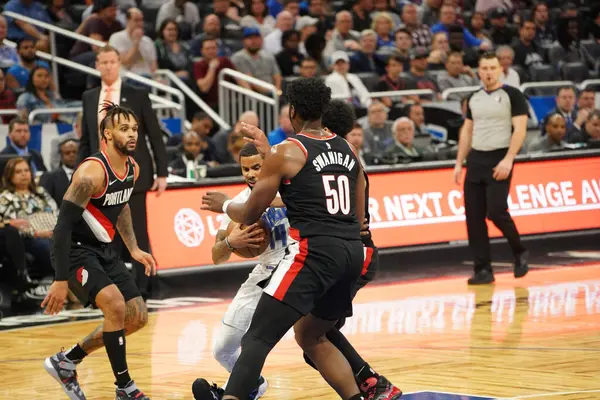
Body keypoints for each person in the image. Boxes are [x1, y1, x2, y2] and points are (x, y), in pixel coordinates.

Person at [198, 78, 367, 400]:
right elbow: (358, 215)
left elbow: (248, 212)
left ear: (292, 110)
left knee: (258, 338)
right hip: (351, 253)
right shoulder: (349, 149)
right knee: (312, 336)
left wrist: (225, 205)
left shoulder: (288, 150)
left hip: (314, 252)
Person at [42, 103, 156, 400]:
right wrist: (60, 278)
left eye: (134, 128)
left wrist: (133, 248)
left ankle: (67, 361)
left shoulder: (133, 167)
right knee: (116, 306)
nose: (132, 134)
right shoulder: (90, 174)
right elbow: (62, 228)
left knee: (137, 316)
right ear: (107, 134)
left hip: (103, 250)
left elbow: (121, 208)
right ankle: (125, 387)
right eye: (124, 129)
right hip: (76, 250)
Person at [79, 45, 168, 298]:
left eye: (112, 61)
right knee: (104, 232)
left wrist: (162, 171)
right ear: (97, 65)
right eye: (103, 62)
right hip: (101, 176)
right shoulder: (89, 97)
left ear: (120, 64)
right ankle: (112, 285)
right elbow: (87, 139)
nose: (108, 66)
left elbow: (154, 135)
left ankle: (144, 286)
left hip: (134, 174)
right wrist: (81, 170)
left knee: (138, 230)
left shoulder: (137, 94)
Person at [209, 143, 293, 400]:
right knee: (221, 349)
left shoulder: (292, 188)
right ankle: (252, 385)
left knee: (313, 338)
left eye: (256, 167)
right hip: (266, 269)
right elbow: (216, 256)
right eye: (245, 169)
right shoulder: (236, 205)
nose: (250, 174)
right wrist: (231, 243)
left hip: (300, 263)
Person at [453, 53, 529, 285]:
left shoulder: (512, 95)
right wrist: (458, 162)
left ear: (500, 70)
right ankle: (482, 269)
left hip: (500, 156)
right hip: (476, 160)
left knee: (496, 212)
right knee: (473, 218)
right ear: (478, 71)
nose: (488, 72)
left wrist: (509, 159)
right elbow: (467, 131)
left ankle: (519, 251)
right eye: (484, 68)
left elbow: (520, 129)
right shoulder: (473, 97)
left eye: (492, 68)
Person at [40, 139, 79, 206]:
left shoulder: (87, 174)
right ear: (61, 155)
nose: (71, 155)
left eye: (74, 152)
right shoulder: (50, 176)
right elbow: (45, 202)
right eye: (67, 153)